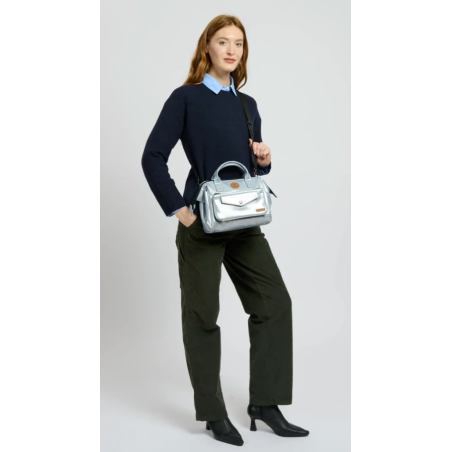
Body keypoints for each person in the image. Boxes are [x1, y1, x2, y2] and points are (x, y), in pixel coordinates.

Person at [141, 14, 309, 446]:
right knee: (202, 316)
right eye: (223, 42)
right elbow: (152, 156)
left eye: (238, 43)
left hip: (244, 221)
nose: (232, 50)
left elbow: (246, 166)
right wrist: (180, 210)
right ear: (207, 47)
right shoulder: (186, 98)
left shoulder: (247, 104)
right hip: (202, 223)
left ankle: (265, 404)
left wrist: (263, 160)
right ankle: (213, 414)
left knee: (275, 304)